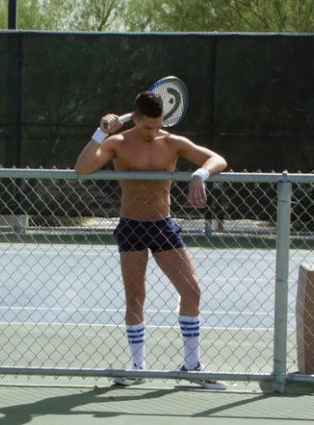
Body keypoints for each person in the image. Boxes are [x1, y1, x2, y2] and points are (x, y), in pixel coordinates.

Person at [74, 92, 229, 390]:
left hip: (163, 226)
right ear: (135, 118)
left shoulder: (172, 142)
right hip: (131, 226)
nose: (153, 132)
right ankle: (137, 367)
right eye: (148, 127)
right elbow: (82, 168)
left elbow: (217, 159)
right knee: (135, 296)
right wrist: (100, 133)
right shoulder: (117, 143)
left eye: (158, 126)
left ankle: (192, 366)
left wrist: (200, 174)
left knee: (192, 290)